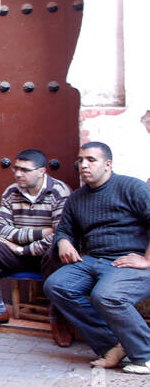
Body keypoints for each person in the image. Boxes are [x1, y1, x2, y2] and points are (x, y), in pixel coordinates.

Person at [42, 142, 150, 373]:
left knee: (107, 296)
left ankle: (146, 354)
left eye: (91, 160)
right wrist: (63, 241)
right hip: (95, 259)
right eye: (80, 160)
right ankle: (113, 345)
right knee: (57, 286)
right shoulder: (77, 198)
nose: (84, 165)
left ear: (108, 164)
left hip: (130, 261)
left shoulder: (131, 187)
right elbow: (64, 229)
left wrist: (147, 259)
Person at [0, 149, 71, 342]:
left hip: (45, 256)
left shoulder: (59, 191)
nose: (18, 174)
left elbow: (58, 235)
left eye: (24, 170)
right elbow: (1, 229)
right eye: (16, 169)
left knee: (57, 248)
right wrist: (38, 233)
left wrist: (22, 248)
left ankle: (58, 317)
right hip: (18, 256)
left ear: (42, 171)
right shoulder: (11, 192)